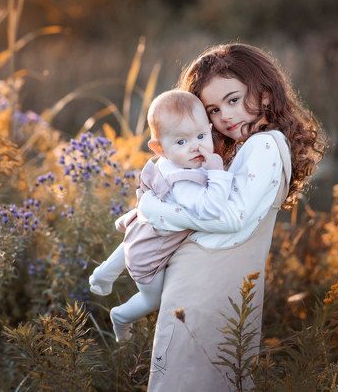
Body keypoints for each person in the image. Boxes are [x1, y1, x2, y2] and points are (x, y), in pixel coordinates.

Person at [136, 43, 325, 390]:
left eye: (234, 100)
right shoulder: (255, 145)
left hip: (207, 290)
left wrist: (158, 211)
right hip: (208, 288)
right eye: (213, 109)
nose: (225, 116)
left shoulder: (264, 145)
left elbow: (231, 218)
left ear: (265, 93)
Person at [88, 89, 234, 342]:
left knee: (129, 245)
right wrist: (218, 173)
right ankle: (121, 316)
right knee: (152, 298)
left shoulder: (168, 165)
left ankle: (104, 273)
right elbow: (211, 210)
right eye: (181, 142)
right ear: (159, 148)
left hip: (142, 231)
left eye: (201, 135)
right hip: (150, 255)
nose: (195, 147)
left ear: (210, 129)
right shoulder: (184, 182)